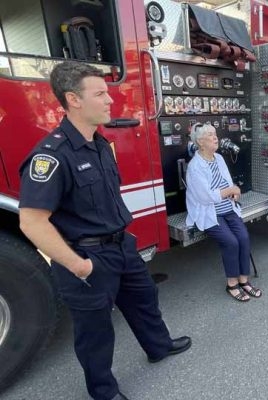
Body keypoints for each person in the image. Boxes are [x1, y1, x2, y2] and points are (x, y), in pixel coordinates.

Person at [18, 61, 191, 400]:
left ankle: (158, 346)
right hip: (86, 256)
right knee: (95, 332)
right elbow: (32, 222)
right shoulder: (51, 156)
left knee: (144, 300)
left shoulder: (99, 144)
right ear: (74, 99)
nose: (110, 100)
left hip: (121, 247)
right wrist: (79, 266)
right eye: (99, 93)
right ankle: (103, 391)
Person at [185, 123, 262, 302]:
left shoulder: (218, 158)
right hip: (209, 212)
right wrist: (230, 190)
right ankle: (232, 284)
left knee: (243, 237)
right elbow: (206, 198)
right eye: (210, 135)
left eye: (215, 134)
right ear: (200, 142)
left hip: (228, 208)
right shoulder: (195, 166)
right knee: (231, 242)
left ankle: (244, 280)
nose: (215, 137)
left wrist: (234, 191)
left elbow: (227, 182)